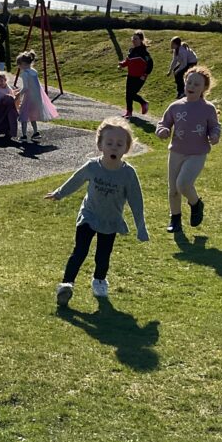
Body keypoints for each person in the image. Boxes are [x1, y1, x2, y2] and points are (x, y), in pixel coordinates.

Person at [46, 117, 149, 304]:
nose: (114, 148)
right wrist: (59, 193)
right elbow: (76, 180)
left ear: (126, 148)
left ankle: (99, 281)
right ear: (100, 145)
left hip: (111, 220)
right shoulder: (93, 167)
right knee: (80, 251)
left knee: (103, 255)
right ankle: (66, 284)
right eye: (109, 143)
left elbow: (136, 201)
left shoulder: (128, 174)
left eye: (119, 144)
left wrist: (141, 227)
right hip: (89, 215)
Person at [156, 67, 221, 232]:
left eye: (196, 84)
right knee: (173, 190)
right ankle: (175, 220)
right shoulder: (175, 106)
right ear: (185, 83)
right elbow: (163, 123)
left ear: (204, 88)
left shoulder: (208, 108)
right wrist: (162, 130)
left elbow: (215, 126)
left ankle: (196, 204)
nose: (191, 86)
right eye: (189, 82)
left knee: (183, 184)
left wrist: (215, 135)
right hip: (176, 152)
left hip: (197, 154)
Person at [15, 50, 59, 140]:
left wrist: (19, 94)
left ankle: (24, 135)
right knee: (32, 116)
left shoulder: (25, 74)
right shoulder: (34, 71)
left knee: (24, 116)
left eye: (19, 64)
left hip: (29, 98)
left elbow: (26, 87)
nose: (18, 66)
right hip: (37, 97)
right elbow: (33, 85)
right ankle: (35, 132)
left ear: (23, 64)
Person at [119, 30, 153, 117]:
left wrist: (144, 74)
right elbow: (128, 61)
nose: (133, 40)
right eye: (133, 38)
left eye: (136, 39)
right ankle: (129, 112)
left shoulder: (143, 52)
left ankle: (144, 103)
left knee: (132, 94)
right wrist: (122, 64)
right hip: (130, 76)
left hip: (140, 77)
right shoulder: (132, 51)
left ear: (141, 40)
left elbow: (150, 64)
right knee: (128, 94)